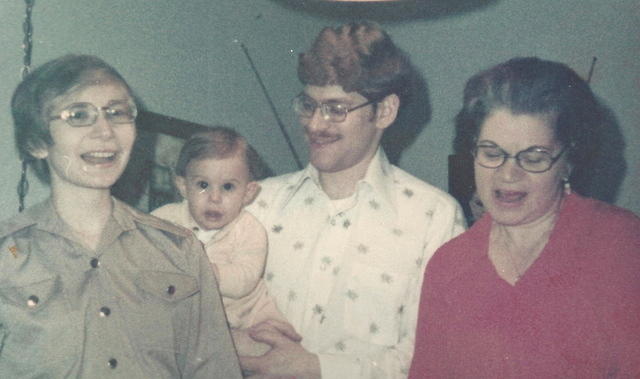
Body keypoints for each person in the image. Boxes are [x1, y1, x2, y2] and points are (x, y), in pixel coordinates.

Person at [239, 21, 466, 379]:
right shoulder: (259, 203)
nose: (314, 124)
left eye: (335, 109)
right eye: (308, 105)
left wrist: (316, 368)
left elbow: (429, 358)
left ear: (385, 111)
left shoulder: (433, 217)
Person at [0, 54, 242, 378]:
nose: (105, 132)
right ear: (36, 142)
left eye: (117, 113)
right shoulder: (7, 256)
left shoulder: (180, 250)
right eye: (79, 115)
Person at [409, 57, 640, 378]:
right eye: (491, 153)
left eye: (533, 158)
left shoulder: (621, 245)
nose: (508, 175)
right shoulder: (449, 266)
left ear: (569, 161)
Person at [152, 127, 294, 357]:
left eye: (228, 187)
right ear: (182, 185)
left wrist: (207, 271)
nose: (214, 198)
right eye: (203, 185)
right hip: (194, 320)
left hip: (248, 317)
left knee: (274, 346)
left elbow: (244, 280)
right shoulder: (164, 220)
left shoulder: (249, 229)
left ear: (248, 193)